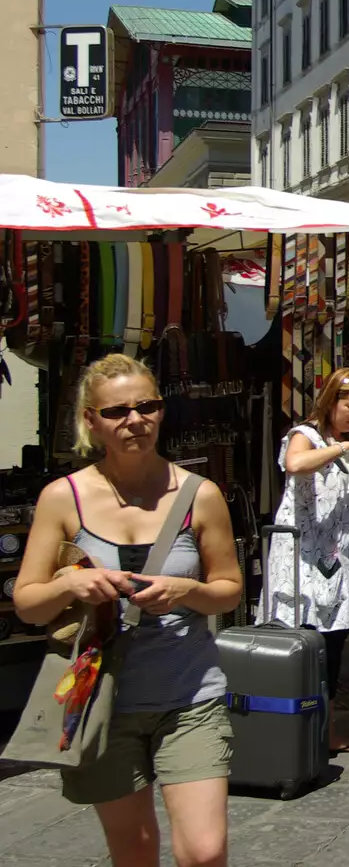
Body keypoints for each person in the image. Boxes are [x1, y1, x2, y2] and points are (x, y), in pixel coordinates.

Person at [12, 355, 241, 867]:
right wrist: (72, 581)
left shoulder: (199, 495)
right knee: (134, 853)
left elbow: (228, 590)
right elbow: (27, 603)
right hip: (100, 701)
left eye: (147, 406)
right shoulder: (62, 498)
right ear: (90, 420)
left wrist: (184, 590)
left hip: (189, 694)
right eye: (116, 412)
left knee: (204, 853)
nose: (134, 420)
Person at [268, 366, 349, 752]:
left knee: (334, 644)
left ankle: (326, 730)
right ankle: (294, 730)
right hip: (303, 557)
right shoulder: (306, 435)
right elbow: (294, 464)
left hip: (340, 556)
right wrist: (339, 449)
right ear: (331, 400)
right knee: (302, 642)